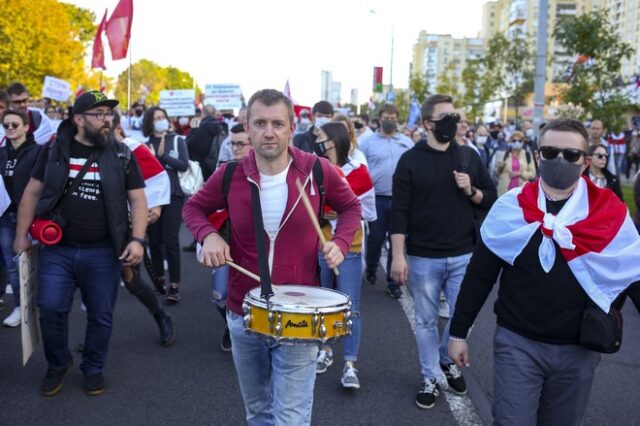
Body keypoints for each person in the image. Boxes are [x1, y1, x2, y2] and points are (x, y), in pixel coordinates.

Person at [183, 89, 361, 425]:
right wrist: (207, 236)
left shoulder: (317, 171)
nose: (269, 131)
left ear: (292, 128)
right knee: (259, 412)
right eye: (260, 123)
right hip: (243, 310)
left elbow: (351, 206)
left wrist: (339, 240)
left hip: (299, 313)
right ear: (247, 128)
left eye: (278, 123)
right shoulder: (231, 174)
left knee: (290, 418)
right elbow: (194, 208)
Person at [448, 118, 640, 425]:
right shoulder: (510, 208)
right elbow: (479, 276)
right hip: (518, 343)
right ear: (538, 156)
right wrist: (458, 332)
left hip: (579, 350)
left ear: (586, 161)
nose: (559, 160)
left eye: (571, 155)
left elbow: (633, 274)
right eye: (550, 152)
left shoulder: (609, 212)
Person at [14, 90, 147, 396]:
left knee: (101, 313)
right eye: (98, 115)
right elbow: (32, 194)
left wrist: (137, 240)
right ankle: (58, 364)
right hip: (57, 251)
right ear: (78, 120)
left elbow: (138, 199)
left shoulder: (121, 153)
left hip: (103, 251)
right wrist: (21, 236)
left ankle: (94, 368)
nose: (106, 120)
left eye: (109, 114)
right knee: (50, 308)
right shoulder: (52, 151)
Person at [389, 94, 497, 410]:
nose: (452, 122)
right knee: (424, 320)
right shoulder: (410, 161)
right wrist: (398, 255)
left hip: (465, 254)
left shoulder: (468, 156)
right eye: (444, 117)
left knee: (466, 315)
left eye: (454, 115)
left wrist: (471, 191)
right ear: (427, 123)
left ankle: (443, 359)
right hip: (423, 257)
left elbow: (490, 196)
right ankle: (431, 377)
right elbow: (399, 211)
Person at [313, 122, 376, 389]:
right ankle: (325, 349)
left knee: (351, 308)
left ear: (334, 141)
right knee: (323, 302)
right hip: (321, 244)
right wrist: (324, 213)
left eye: (323, 139)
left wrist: (345, 212)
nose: (319, 143)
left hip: (349, 247)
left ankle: (350, 364)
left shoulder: (359, 173)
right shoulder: (316, 170)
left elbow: (370, 213)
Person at [112, 111, 176, 346]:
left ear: (117, 126)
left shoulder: (131, 149)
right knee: (95, 283)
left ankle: (161, 316)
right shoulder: (80, 150)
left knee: (131, 280)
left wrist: (155, 208)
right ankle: (95, 334)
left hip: (125, 227)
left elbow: (159, 178)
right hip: (92, 229)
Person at [206, 123, 253, 352]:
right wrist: (207, 235)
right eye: (232, 144)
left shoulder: (271, 172)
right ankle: (230, 325)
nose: (235, 149)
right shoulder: (223, 172)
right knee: (219, 295)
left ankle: (247, 331)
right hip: (226, 245)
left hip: (256, 249)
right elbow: (196, 206)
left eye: (240, 144)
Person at [358, 103, 413, 298]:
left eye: (393, 117)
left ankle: (393, 282)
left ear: (397, 119)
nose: (389, 120)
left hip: (401, 199)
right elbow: (359, 166)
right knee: (376, 237)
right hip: (377, 198)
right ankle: (371, 267)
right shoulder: (367, 142)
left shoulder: (407, 142)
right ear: (379, 118)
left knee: (397, 240)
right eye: (386, 117)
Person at [143, 106, 189, 303]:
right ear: (149, 122)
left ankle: (174, 284)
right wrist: (152, 158)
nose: (160, 120)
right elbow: (143, 172)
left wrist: (164, 156)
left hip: (173, 195)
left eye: (162, 117)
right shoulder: (144, 145)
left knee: (170, 240)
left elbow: (183, 165)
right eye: (156, 118)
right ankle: (159, 279)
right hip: (152, 199)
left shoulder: (177, 140)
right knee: (154, 241)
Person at [0, 110, 42, 327]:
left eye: (14, 124)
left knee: (41, 263)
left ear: (26, 127)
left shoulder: (40, 152)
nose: (9, 128)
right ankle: (20, 307)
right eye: (6, 125)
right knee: (14, 264)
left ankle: (42, 304)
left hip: (37, 218)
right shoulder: (0, 153)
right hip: (7, 217)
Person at [494, 131, 537, 196]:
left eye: (520, 141)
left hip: (521, 192)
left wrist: (520, 173)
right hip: (504, 191)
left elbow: (533, 174)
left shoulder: (527, 155)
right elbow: (496, 173)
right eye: (514, 141)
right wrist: (500, 167)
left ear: (523, 142)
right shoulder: (504, 154)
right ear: (510, 141)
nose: (517, 142)